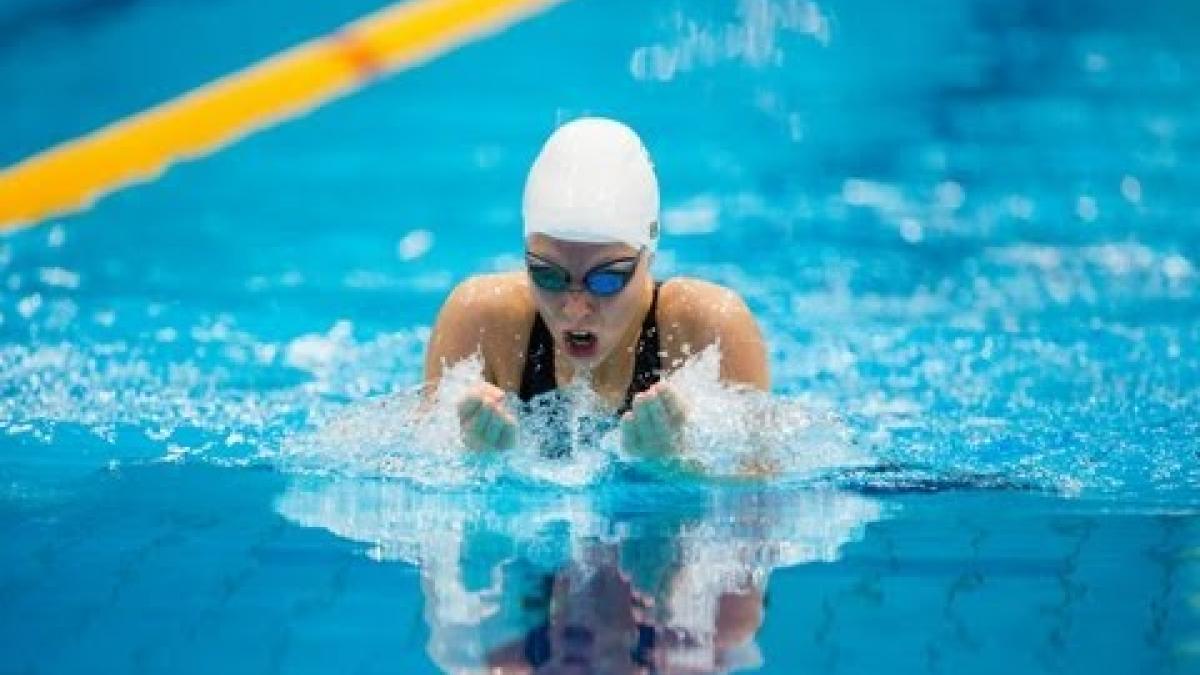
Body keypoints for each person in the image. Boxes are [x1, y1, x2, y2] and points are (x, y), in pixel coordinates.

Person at [423, 117, 769, 458]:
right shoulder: (481, 321)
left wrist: (671, 466)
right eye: (547, 276)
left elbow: (757, 502)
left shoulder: (707, 330)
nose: (574, 309)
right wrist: (475, 459)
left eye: (606, 280)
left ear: (648, 256)